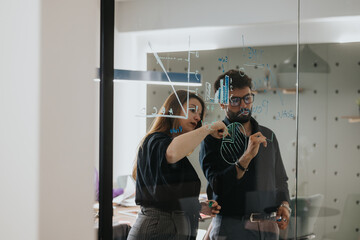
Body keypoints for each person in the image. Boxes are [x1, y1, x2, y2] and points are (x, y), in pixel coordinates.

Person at [199, 70, 291, 240]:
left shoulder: (268, 136)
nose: (243, 105)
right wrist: (247, 156)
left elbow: (280, 179)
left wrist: (285, 204)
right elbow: (218, 185)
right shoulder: (213, 138)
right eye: (235, 100)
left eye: (247, 98)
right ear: (222, 103)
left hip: (269, 227)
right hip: (232, 227)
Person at [127, 90, 226, 240]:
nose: (197, 117)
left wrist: (198, 206)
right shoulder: (156, 141)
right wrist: (209, 128)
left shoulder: (172, 149)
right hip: (158, 229)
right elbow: (171, 153)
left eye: (200, 114)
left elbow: (168, 196)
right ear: (173, 109)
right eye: (192, 109)